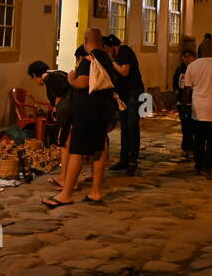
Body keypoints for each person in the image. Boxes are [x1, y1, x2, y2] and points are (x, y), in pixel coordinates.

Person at [44, 28, 118, 207]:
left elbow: (83, 82)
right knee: (98, 149)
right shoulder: (107, 59)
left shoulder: (89, 59)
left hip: (87, 111)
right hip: (103, 109)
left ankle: (66, 194)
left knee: (76, 150)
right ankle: (96, 191)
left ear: (86, 40)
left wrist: (71, 79)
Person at [182, 39, 212, 179]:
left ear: (201, 50)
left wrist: (185, 105)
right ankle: (207, 168)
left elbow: (187, 89)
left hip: (198, 110)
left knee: (198, 140)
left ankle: (198, 165)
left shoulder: (192, 66)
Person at [104, 34, 144, 176]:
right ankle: (124, 159)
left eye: (106, 49)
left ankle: (133, 160)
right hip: (122, 95)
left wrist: (111, 61)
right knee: (124, 127)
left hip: (134, 93)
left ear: (111, 47)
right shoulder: (114, 56)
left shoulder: (124, 50)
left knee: (132, 125)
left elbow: (124, 71)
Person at [27, 59, 72, 162]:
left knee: (64, 139)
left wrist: (55, 108)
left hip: (66, 110)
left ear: (34, 75)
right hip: (72, 109)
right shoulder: (57, 73)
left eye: (32, 78)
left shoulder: (49, 78)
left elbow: (59, 94)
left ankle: (66, 167)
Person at [171, 48, 197, 160]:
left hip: (193, 102)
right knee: (185, 126)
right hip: (181, 102)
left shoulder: (196, 69)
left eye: (189, 56)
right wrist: (176, 91)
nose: (186, 59)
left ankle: (192, 148)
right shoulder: (180, 69)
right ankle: (186, 148)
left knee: (193, 127)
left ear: (194, 57)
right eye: (184, 56)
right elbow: (175, 80)